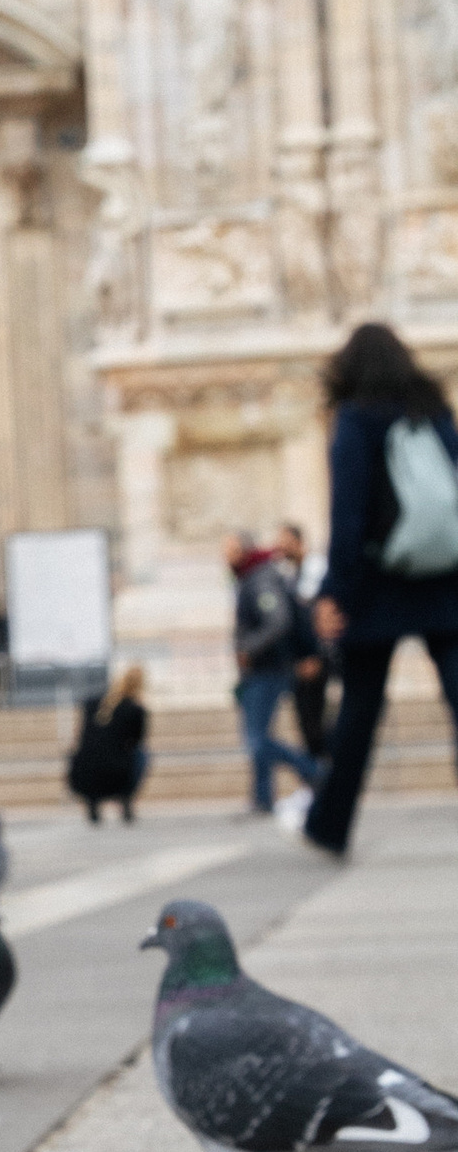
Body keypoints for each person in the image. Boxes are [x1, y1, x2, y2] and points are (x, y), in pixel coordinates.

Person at [304, 324, 458, 860]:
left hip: (376, 584)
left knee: (359, 712)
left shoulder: (355, 420)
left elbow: (348, 518)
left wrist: (332, 594)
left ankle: (329, 825)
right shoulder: (435, 413)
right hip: (445, 579)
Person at [226, 531, 323, 821]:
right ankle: (263, 797)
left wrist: (248, 648)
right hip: (262, 669)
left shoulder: (260, 579)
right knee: (258, 737)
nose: (225, 556)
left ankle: (315, 772)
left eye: (229, 549)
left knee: (256, 739)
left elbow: (278, 620)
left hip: (267, 669)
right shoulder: (254, 577)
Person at [272, 519, 332, 763]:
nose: (281, 548)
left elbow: (315, 618)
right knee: (306, 722)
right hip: (299, 659)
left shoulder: (316, 571)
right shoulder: (289, 573)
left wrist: (315, 656)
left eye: (285, 543)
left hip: (316, 658)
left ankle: (322, 777)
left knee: (315, 721)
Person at [66, 664, 149, 823]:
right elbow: (137, 739)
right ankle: (126, 797)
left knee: (91, 749)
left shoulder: (91, 702)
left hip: (84, 770)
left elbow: (82, 734)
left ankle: (93, 802)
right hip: (118, 772)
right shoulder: (136, 709)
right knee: (141, 752)